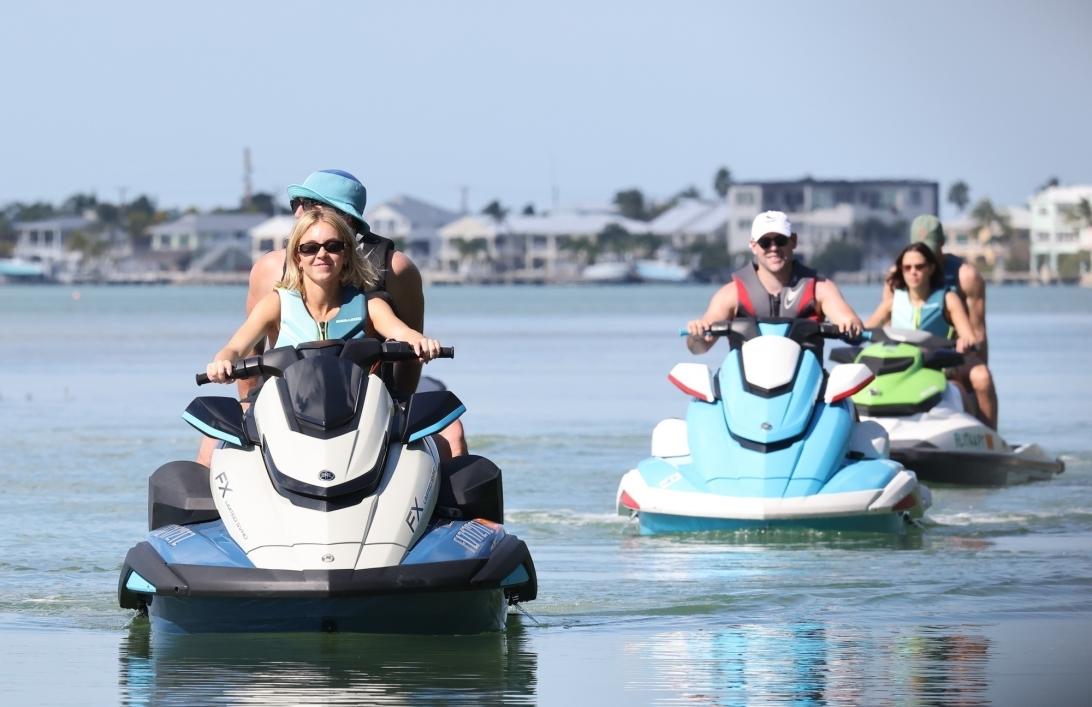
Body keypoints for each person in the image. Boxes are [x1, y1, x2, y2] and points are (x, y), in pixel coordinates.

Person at [198, 169, 467, 465]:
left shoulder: (381, 288)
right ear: (298, 255)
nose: (299, 211)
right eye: (309, 248)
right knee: (213, 441)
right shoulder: (274, 285)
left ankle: (458, 508)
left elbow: (408, 337)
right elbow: (245, 349)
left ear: (346, 224)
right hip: (288, 401)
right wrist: (246, 405)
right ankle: (205, 510)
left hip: (364, 405)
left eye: (310, 203)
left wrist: (408, 382)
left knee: (452, 432)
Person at [206, 208, 443, 383]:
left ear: (347, 254)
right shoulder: (276, 304)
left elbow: (404, 333)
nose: (321, 254)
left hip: (357, 419)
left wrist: (421, 342)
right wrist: (222, 362)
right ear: (297, 257)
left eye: (333, 246)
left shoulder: (370, 306)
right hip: (286, 418)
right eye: (309, 248)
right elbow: (235, 348)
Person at [873, 214, 998, 428]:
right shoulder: (897, 277)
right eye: (909, 267)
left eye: (929, 250)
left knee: (981, 377)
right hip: (908, 354)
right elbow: (885, 321)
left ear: (942, 244)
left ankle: (989, 438)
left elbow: (977, 332)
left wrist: (967, 360)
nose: (915, 271)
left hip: (953, 353)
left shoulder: (965, 277)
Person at [685, 210, 863, 353]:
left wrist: (851, 325)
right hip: (745, 390)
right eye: (765, 242)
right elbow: (700, 346)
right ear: (753, 246)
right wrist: (697, 334)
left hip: (805, 389)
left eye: (780, 240)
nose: (774, 248)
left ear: (793, 241)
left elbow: (852, 326)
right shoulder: (731, 294)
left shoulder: (820, 289)